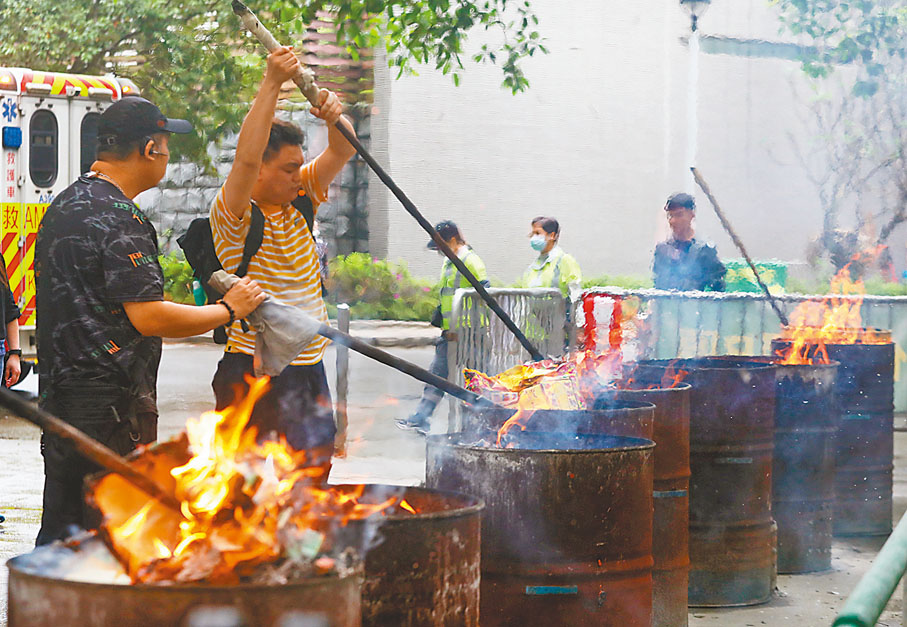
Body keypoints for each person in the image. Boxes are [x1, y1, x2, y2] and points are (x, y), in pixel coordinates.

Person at [35, 96, 265, 545]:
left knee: (64, 530)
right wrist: (229, 309)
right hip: (111, 406)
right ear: (148, 149)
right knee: (110, 535)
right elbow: (149, 316)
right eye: (165, 145)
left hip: (61, 397)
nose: (167, 155)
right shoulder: (120, 217)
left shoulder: (64, 205)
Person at [209, 46, 357, 461]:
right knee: (242, 486)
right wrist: (272, 82)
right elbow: (245, 159)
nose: (299, 175)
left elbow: (344, 148)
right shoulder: (235, 212)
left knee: (310, 482)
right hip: (253, 371)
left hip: (309, 368)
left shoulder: (302, 197)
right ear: (261, 171)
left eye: (300, 166)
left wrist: (333, 117)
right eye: (289, 168)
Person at [397, 220, 489, 434]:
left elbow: (485, 295)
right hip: (450, 332)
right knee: (436, 376)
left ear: (453, 240)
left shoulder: (470, 261)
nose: (439, 251)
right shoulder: (450, 262)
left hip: (470, 333)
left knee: (476, 380)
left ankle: (479, 425)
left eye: (441, 246)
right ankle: (422, 418)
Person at [652, 192, 726, 291]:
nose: (673, 220)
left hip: (695, 305)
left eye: (679, 215)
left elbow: (718, 287)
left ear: (691, 215)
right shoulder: (663, 249)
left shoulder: (704, 250)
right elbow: (658, 284)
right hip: (667, 304)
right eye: (670, 216)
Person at [521, 216, 582, 297]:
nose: (533, 238)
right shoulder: (533, 267)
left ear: (552, 235)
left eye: (537, 233)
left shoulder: (565, 261)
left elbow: (576, 295)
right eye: (532, 234)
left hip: (560, 309)